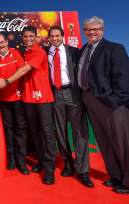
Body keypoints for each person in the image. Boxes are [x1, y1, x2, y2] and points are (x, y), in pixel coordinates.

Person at [78, 16, 129, 194]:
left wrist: (118, 100)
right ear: (84, 31)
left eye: (95, 29)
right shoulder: (83, 50)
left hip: (111, 103)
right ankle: (116, 175)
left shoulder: (115, 48)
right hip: (90, 100)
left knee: (122, 143)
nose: (92, 32)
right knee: (104, 142)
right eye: (88, 30)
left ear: (102, 30)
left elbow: (124, 77)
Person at [0, 26, 57, 185]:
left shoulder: (40, 52)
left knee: (47, 133)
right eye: (25, 36)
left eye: (31, 36)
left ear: (36, 38)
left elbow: (25, 69)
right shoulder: (24, 53)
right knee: (34, 131)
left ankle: (50, 168)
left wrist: (7, 81)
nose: (28, 39)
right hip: (28, 98)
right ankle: (41, 161)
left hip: (42, 97)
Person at [44, 26, 93, 188]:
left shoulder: (73, 51)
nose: (55, 39)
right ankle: (68, 162)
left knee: (80, 131)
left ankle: (83, 170)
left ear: (63, 37)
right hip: (55, 94)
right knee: (60, 131)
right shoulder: (44, 52)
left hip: (73, 93)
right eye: (52, 36)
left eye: (58, 36)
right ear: (48, 38)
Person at [0, 34, 29, 175]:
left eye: (2, 42)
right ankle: (10, 158)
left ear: (7, 42)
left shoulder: (17, 53)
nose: (0, 45)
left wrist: (6, 81)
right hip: (2, 100)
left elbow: (21, 71)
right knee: (7, 129)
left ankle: (21, 159)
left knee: (20, 129)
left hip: (17, 97)